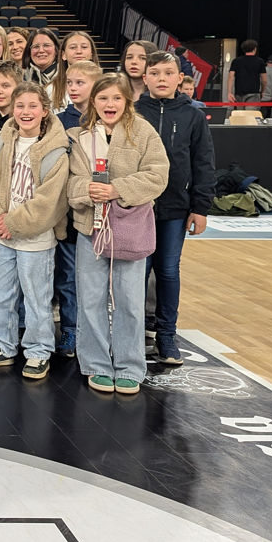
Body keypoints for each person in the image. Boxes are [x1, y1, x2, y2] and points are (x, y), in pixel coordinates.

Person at [68, 74, 169, 395]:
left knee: (130, 301)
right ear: (93, 102)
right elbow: (71, 182)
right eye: (103, 98)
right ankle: (96, 364)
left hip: (131, 228)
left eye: (116, 98)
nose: (109, 104)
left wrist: (116, 189)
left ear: (127, 101)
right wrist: (88, 190)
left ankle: (129, 365)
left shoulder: (143, 132)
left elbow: (157, 175)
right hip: (90, 228)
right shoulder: (80, 137)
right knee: (90, 300)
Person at [0, 82, 71, 380]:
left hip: (35, 239)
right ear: (12, 110)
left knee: (36, 298)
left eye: (32, 106)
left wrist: (12, 223)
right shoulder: (0, 143)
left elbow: (50, 202)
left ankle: (39, 350)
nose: (25, 112)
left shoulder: (57, 151)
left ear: (44, 110)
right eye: (20, 106)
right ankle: (2, 344)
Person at [136, 52, 215, 366]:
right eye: (154, 73)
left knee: (167, 271)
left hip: (175, 209)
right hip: (137, 208)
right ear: (145, 78)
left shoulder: (193, 115)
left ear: (180, 78)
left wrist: (201, 207)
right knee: (136, 274)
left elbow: (203, 163)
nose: (161, 79)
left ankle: (166, 337)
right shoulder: (133, 112)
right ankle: (135, 334)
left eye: (168, 73)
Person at [54, 59, 101, 358]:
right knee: (69, 276)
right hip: (70, 213)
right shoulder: (60, 120)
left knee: (98, 278)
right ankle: (71, 329)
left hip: (104, 211)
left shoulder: (110, 118)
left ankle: (96, 333)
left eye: (80, 82)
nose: (72, 88)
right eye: (69, 82)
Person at [24, 28, 67, 111]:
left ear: (56, 50)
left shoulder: (68, 77)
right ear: (29, 51)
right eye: (36, 46)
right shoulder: (21, 78)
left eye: (46, 45)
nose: (41, 50)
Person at [227, 39, 267, 104]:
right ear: (255, 49)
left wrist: (229, 92)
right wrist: (262, 91)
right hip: (253, 93)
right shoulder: (260, 61)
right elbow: (264, 80)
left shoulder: (236, 61)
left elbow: (231, 77)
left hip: (239, 93)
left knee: (240, 114)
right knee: (251, 113)